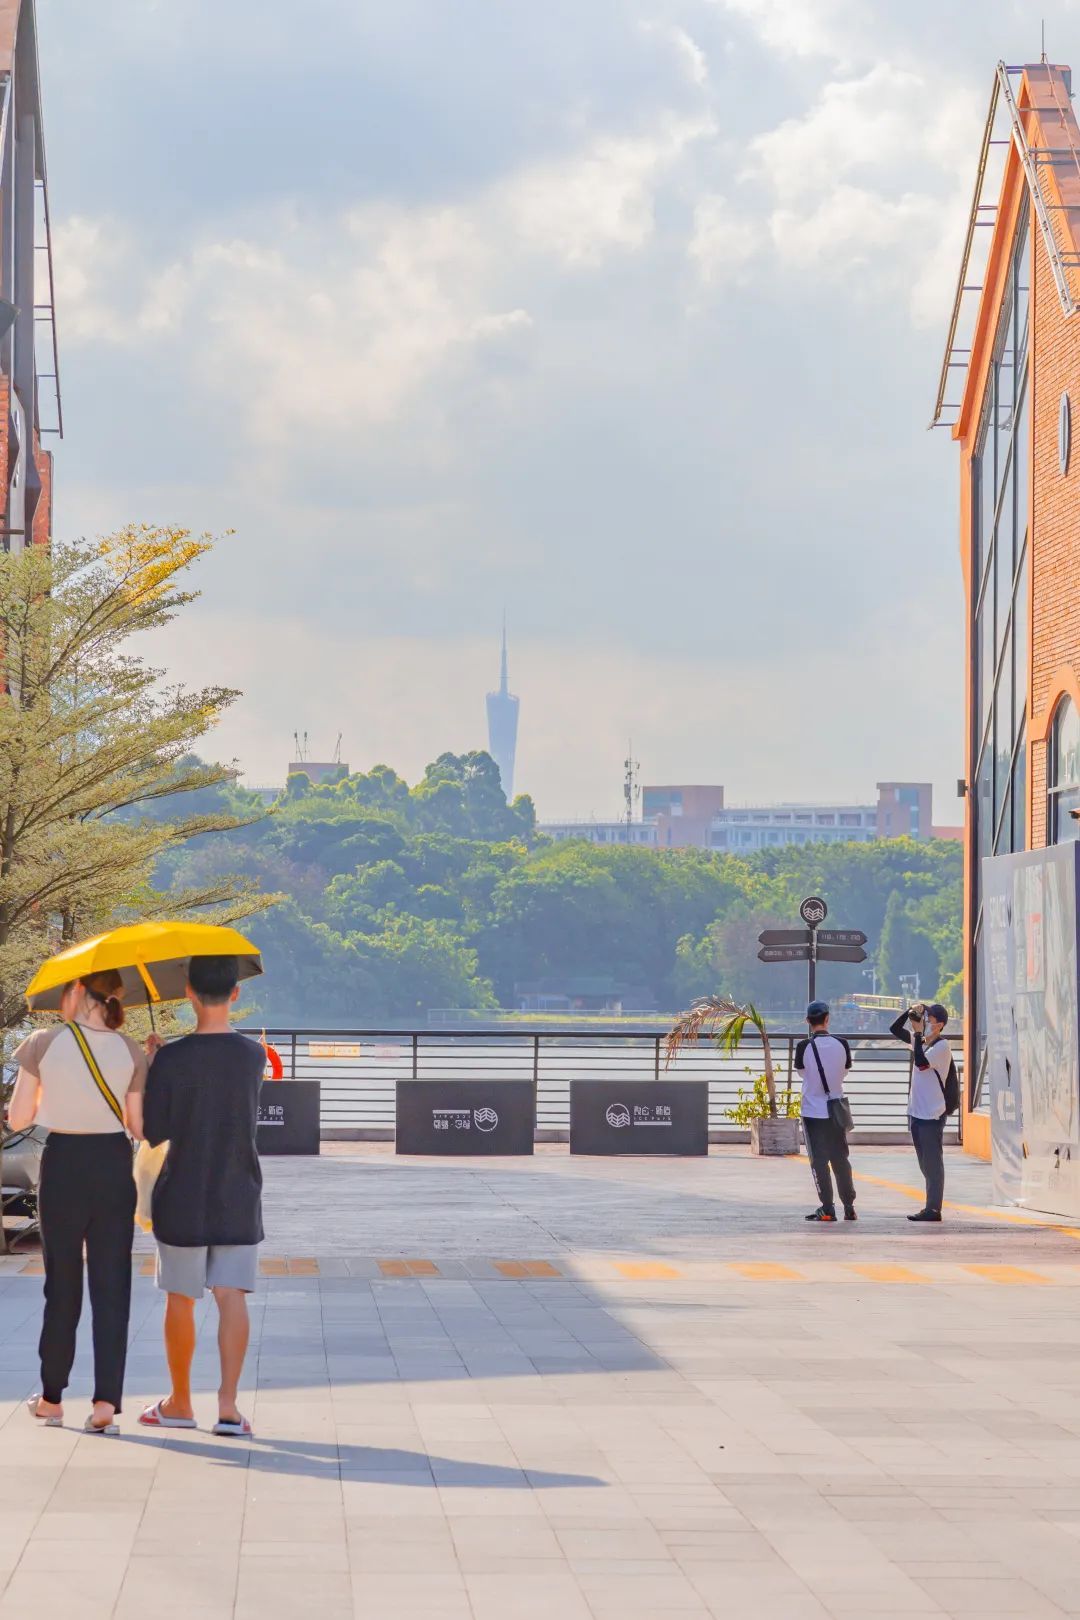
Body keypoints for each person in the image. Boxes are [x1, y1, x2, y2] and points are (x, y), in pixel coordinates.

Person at [10, 971, 146, 1434]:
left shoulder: (43, 1042)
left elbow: (19, 1118)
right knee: (113, 1286)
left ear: (76, 994)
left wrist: (56, 1091)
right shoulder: (130, 1049)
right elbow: (140, 1127)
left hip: (64, 1162)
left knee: (62, 1284)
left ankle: (51, 1399)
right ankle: (106, 1403)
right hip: (113, 1163)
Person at [138, 954, 264, 1436]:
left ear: (188, 993)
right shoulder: (253, 1055)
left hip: (182, 1192)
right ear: (235, 994)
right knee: (232, 1296)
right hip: (238, 1189)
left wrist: (155, 1066)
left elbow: (154, 1133)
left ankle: (180, 1404)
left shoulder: (171, 1057)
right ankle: (229, 1408)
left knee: (181, 1299)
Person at [795, 999, 856, 1223]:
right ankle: (849, 1206)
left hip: (812, 1111)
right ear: (828, 1019)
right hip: (835, 1110)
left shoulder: (804, 1047)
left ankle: (827, 1207)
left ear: (808, 1022)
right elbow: (845, 1071)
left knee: (819, 1161)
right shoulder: (843, 1044)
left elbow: (802, 1073)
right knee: (841, 1159)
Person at [890, 1002, 952, 1223]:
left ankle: (933, 1209)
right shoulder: (923, 1042)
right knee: (924, 1162)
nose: (926, 1022)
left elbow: (921, 1061)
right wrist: (909, 1012)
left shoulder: (941, 1047)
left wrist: (917, 1034)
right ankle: (930, 1205)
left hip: (932, 1114)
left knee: (933, 1162)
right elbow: (894, 1030)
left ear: (940, 1025)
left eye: (930, 1019)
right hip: (917, 1112)